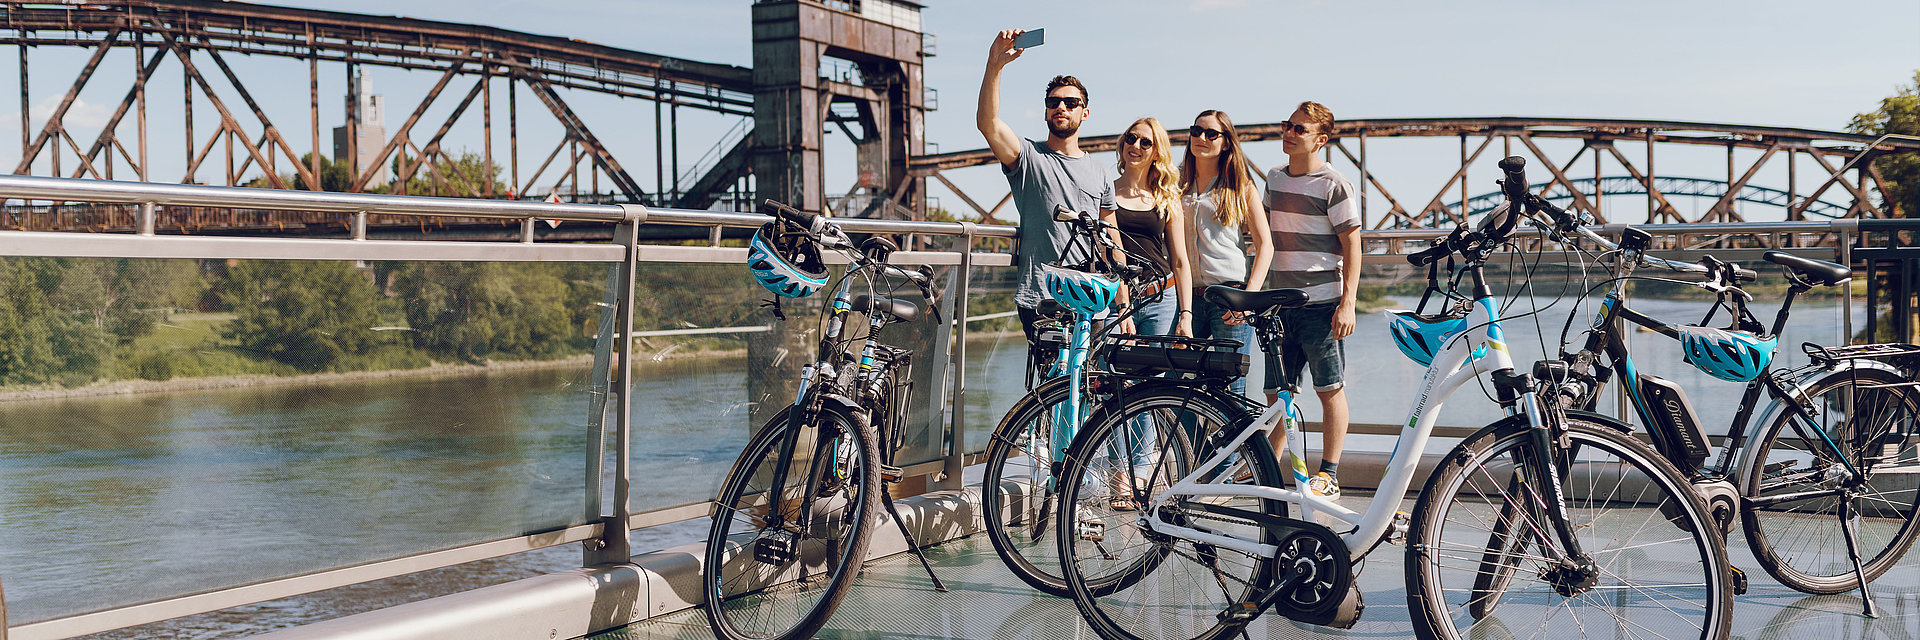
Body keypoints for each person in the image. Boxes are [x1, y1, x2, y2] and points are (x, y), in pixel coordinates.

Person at [975, 29, 1116, 379]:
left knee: (1087, 393)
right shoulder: (1029, 157)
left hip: (1093, 300)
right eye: (1053, 102)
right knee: (1048, 395)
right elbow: (988, 123)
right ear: (1045, 112)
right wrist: (995, 65)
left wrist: (1122, 296)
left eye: (1070, 103)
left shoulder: (1100, 173)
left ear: (1086, 113)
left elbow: (1112, 236)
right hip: (1042, 296)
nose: (1061, 107)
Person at [1262, 101, 1361, 499]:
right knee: (1275, 393)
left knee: (1329, 389)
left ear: (1321, 139)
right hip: (1279, 303)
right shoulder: (1273, 179)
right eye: (1287, 125)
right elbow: (1265, 238)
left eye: (1299, 129)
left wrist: (1348, 303)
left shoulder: (1334, 183)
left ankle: (1329, 473)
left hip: (1322, 304)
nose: (1289, 132)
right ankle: (1268, 469)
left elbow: (1353, 245)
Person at [1180, 109, 1272, 397]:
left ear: (1226, 142)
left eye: (1211, 134)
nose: (1201, 138)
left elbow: (1266, 244)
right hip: (1186, 297)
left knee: (1231, 387)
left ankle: (1236, 444)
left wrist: (1249, 298)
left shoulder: (1240, 187)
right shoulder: (1176, 185)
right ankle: (1191, 444)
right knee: (1181, 383)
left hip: (1228, 297)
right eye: (1196, 131)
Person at [1111, 117, 1193, 338]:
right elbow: (1111, 254)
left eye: (1145, 143)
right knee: (1109, 369)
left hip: (1161, 298)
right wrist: (1123, 305)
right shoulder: (1106, 193)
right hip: (1113, 300)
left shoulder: (1166, 197)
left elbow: (1179, 261)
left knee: (1156, 370)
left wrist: (1186, 315)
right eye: (1131, 138)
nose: (1135, 146)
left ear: (1157, 152)